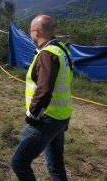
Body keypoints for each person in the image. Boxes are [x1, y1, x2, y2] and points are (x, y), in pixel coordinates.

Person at [11, 14, 73, 181]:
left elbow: (44, 89)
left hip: (47, 118)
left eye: (30, 31)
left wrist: (32, 114)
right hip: (62, 116)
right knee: (55, 165)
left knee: (19, 162)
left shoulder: (47, 54)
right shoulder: (62, 49)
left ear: (36, 32)